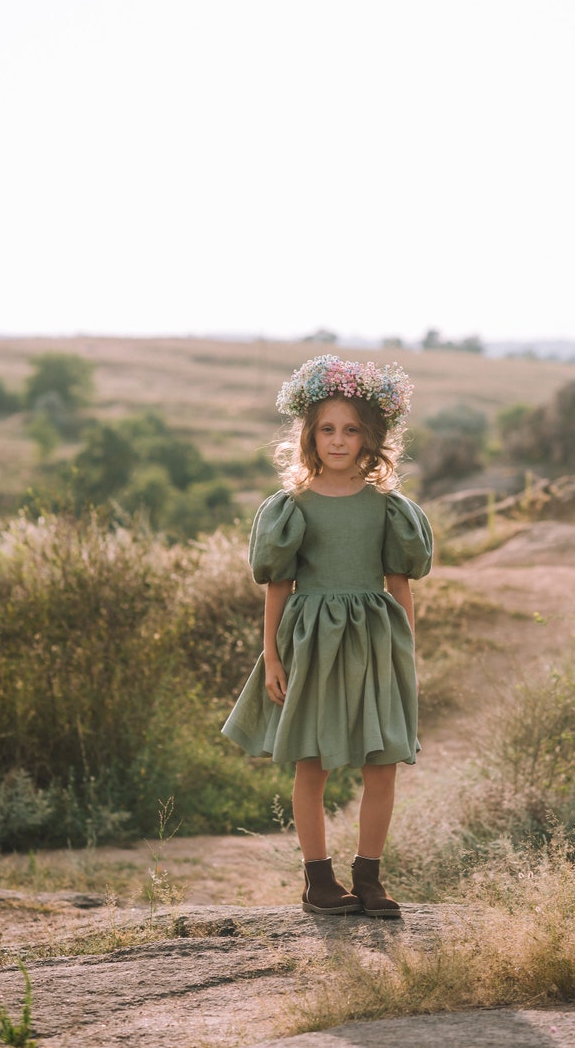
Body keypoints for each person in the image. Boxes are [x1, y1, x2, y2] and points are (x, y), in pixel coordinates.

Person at [222, 354, 432, 919]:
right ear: (310, 435)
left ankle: (369, 879)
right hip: (311, 643)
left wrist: (406, 654)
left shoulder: (389, 508)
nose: (339, 440)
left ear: (371, 436)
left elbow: (400, 584)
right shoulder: (292, 508)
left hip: (373, 643)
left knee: (381, 762)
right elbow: (277, 586)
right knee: (311, 764)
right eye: (327, 429)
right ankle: (319, 881)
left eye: (351, 429)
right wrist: (270, 658)